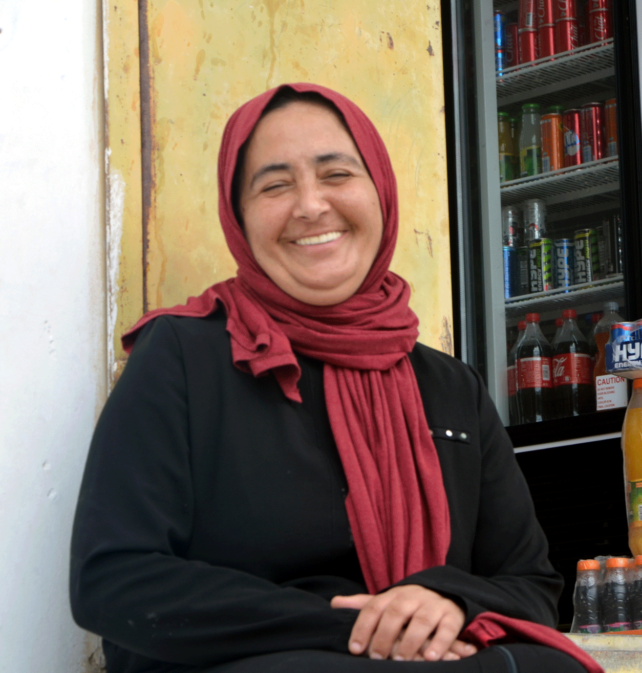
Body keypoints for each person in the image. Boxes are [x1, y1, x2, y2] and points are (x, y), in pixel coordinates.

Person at [69, 83, 600, 673]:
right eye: (274, 185)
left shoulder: (449, 387)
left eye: (337, 174)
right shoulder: (182, 355)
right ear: (238, 218)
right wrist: (356, 628)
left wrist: (445, 600)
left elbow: (529, 583)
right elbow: (114, 578)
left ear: (381, 191)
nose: (310, 205)